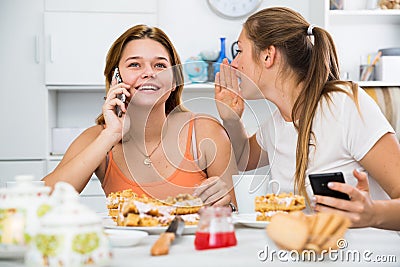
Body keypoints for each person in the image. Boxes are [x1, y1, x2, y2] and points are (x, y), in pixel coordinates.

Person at [215, 7, 400, 230]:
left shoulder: (345, 105)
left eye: (239, 50)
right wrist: (232, 119)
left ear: (268, 55)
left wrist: (371, 214)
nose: (233, 63)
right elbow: (244, 158)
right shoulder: (275, 123)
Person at [43, 24, 238, 207]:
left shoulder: (206, 132)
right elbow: (42, 203)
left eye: (160, 66)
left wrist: (225, 203)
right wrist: (111, 134)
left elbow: (236, 215)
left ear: (173, 81)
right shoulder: (96, 139)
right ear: (115, 78)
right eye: (135, 64)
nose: (148, 73)